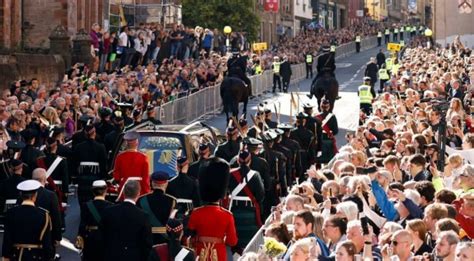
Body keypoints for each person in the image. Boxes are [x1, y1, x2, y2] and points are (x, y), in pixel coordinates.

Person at [187, 157, 238, 261]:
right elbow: (232, 241)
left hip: (200, 252)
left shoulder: (196, 213)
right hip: (219, 253)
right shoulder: (227, 215)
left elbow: (190, 232)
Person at [100, 180, 153, 261]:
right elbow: (146, 244)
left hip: (111, 256)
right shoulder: (143, 216)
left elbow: (101, 236)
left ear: (123, 192)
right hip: (134, 257)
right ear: (138, 194)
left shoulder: (109, 211)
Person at [1, 180, 54, 261]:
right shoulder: (44, 215)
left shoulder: (11, 213)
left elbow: (7, 239)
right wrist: (50, 256)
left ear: (21, 195)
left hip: (16, 256)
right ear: (35, 196)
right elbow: (46, 242)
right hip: (36, 256)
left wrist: (5, 256)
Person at [228, 150, 265, 253]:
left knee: (235, 240)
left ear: (238, 161)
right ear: (250, 161)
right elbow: (260, 195)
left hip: (234, 211)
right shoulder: (256, 175)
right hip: (250, 212)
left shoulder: (230, 174)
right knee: (250, 243)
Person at [76, 180, 114, 261]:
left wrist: (80, 237)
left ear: (93, 191)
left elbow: (82, 225)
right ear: (106, 191)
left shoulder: (86, 205)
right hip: (105, 238)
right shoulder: (112, 206)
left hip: (90, 238)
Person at [73, 124, 108, 208]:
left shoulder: (78, 147)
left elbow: (75, 163)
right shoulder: (101, 147)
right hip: (95, 176)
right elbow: (103, 164)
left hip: (82, 177)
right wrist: (104, 178)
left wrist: (75, 178)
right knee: (94, 200)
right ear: (94, 133)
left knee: (83, 201)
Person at [137, 171, 177, 245]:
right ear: (166, 184)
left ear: (152, 183)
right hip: (164, 239)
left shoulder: (141, 199)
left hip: (146, 238)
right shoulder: (172, 201)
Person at [31, 168, 62, 256]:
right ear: (45, 179)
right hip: (46, 236)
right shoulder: (51, 195)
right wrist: (57, 237)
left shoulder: (23, 194)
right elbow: (56, 218)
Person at [113, 131, 150, 197]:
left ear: (126, 143)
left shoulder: (120, 156)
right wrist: (147, 191)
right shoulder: (143, 157)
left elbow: (116, 176)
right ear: (137, 143)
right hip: (139, 188)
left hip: (124, 187)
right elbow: (145, 178)